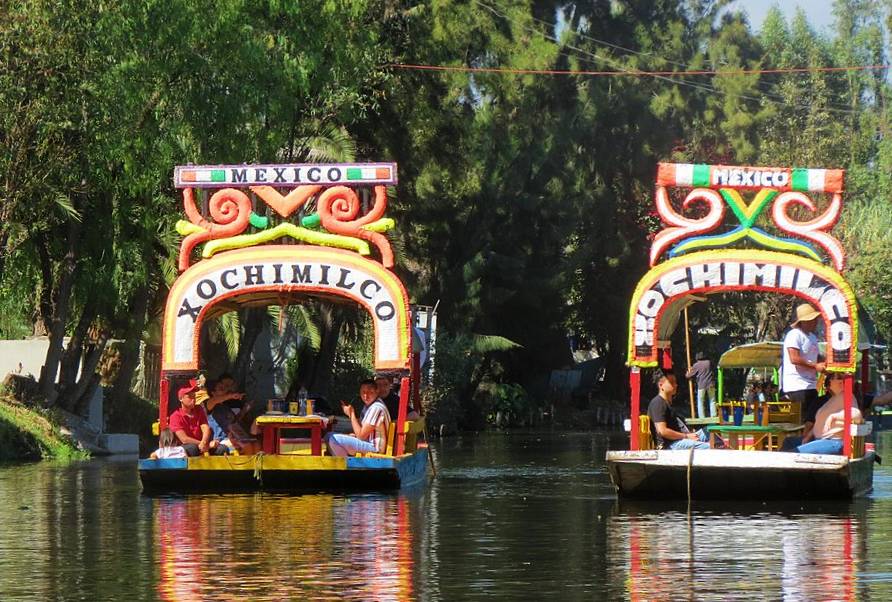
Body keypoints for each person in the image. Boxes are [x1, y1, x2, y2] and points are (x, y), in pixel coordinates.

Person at [784, 372, 862, 454]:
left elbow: (857, 415)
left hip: (833, 441)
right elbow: (818, 422)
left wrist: (835, 416)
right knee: (789, 442)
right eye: (836, 378)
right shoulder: (832, 399)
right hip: (819, 439)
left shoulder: (847, 396)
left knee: (791, 454)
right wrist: (808, 436)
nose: (840, 381)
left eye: (840, 378)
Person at [782, 303, 826, 442]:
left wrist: (825, 362)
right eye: (813, 319)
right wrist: (815, 366)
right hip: (797, 385)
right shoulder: (794, 335)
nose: (816, 322)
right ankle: (799, 443)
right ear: (805, 321)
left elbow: (816, 357)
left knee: (813, 416)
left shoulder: (812, 337)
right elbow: (794, 358)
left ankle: (807, 441)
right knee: (804, 419)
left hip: (811, 385)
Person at [325, 379, 391, 457]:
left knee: (333, 439)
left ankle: (346, 465)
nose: (366, 396)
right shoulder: (369, 406)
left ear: (377, 392)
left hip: (375, 448)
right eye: (363, 392)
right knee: (328, 436)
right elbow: (361, 431)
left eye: (370, 392)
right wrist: (350, 415)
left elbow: (361, 436)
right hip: (367, 442)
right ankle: (345, 462)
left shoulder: (376, 408)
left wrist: (352, 413)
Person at [647, 372, 710, 450]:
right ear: (661, 385)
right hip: (670, 445)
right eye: (672, 382)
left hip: (680, 439)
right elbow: (662, 431)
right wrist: (686, 436)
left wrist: (688, 435)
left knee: (710, 430)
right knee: (709, 447)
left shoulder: (668, 403)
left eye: (675, 382)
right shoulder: (658, 403)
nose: (676, 385)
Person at [168, 379, 227, 457]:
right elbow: (184, 439)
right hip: (187, 448)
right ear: (181, 399)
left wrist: (204, 442)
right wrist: (204, 444)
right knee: (193, 448)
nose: (193, 399)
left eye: (194, 396)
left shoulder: (199, 409)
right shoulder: (175, 416)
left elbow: (205, 427)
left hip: (203, 444)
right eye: (190, 397)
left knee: (223, 449)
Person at [205, 374, 260, 455]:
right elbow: (214, 400)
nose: (224, 390)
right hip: (219, 441)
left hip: (233, 437)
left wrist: (244, 410)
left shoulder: (225, 407)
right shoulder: (210, 404)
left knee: (256, 444)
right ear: (213, 393)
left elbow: (234, 421)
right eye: (221, 388)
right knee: (247, 446)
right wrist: (231, 396)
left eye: (224, 388)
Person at [686, 351, 716, 418]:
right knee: (712, 400)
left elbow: (688, 376)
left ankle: (702, 417)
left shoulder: (696, 365)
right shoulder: (709, 362)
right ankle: (713, 415)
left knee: (700, 401)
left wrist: (688, 371)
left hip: (701, 385)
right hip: (710, 384)